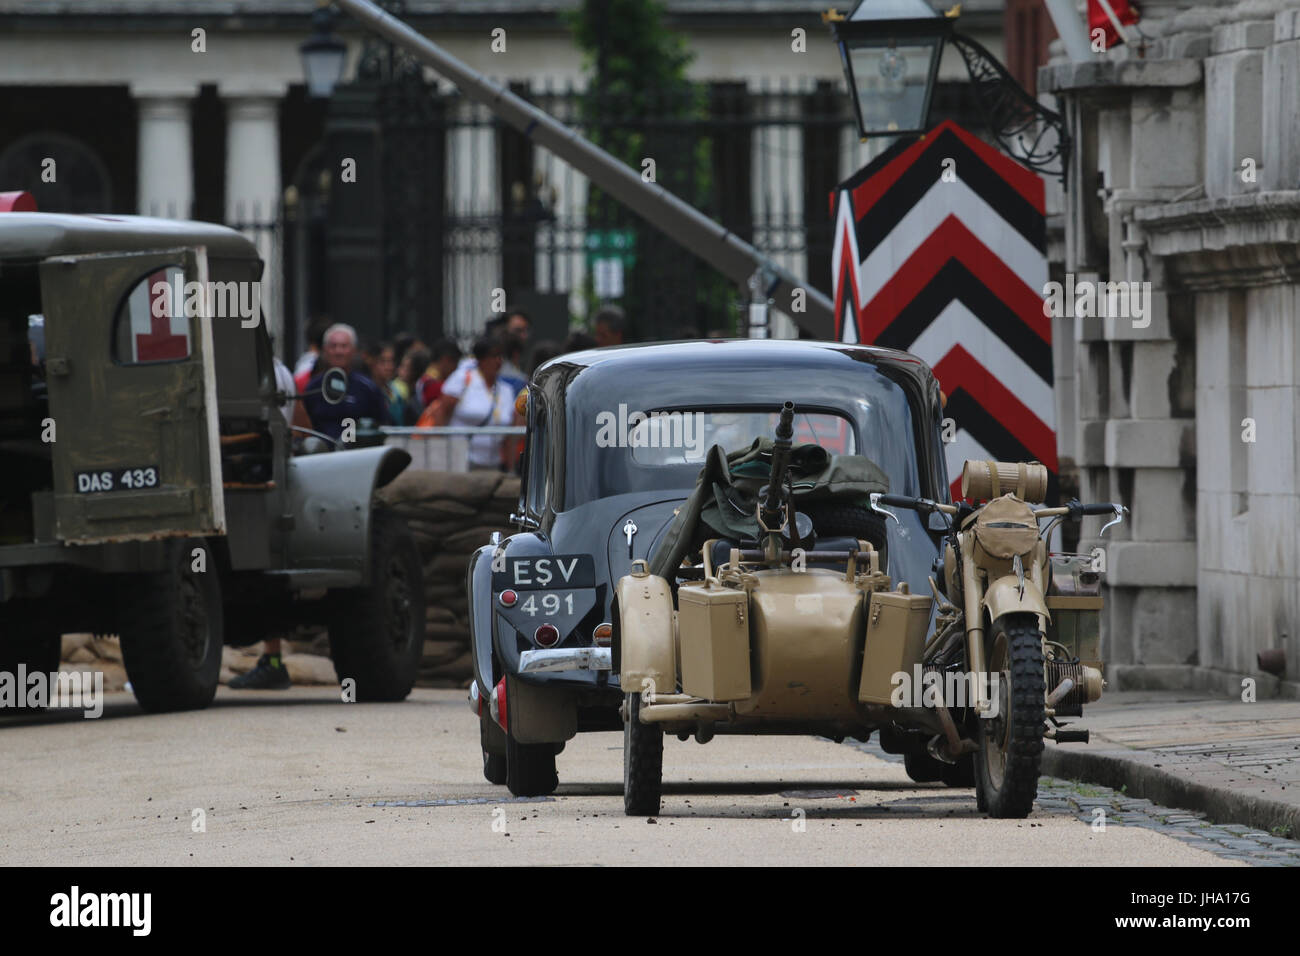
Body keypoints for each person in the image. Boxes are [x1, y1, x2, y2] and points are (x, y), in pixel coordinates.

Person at [422, 335, 518, 470]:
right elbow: (441, 415)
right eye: (493, 356)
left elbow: (510, 435)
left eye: (501, 356)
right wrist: (439, 456)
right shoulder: (462, 379)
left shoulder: (506, 390)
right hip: (460, 462)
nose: (498, 361)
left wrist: (510, 469)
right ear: (481, 360)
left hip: (492, 465)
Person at [292, 323, 391, 443]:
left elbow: (382, 425)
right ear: (324, 350)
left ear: (354, 351)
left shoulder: (368, 388)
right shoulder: (313, 387)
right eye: (333, 346)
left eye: (344, 346)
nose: (338, 351)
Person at [417, 338, 464, 407]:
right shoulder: (435, 386)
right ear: (446, 360)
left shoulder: (427, 380)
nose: (456, 368)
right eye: (456, 362)